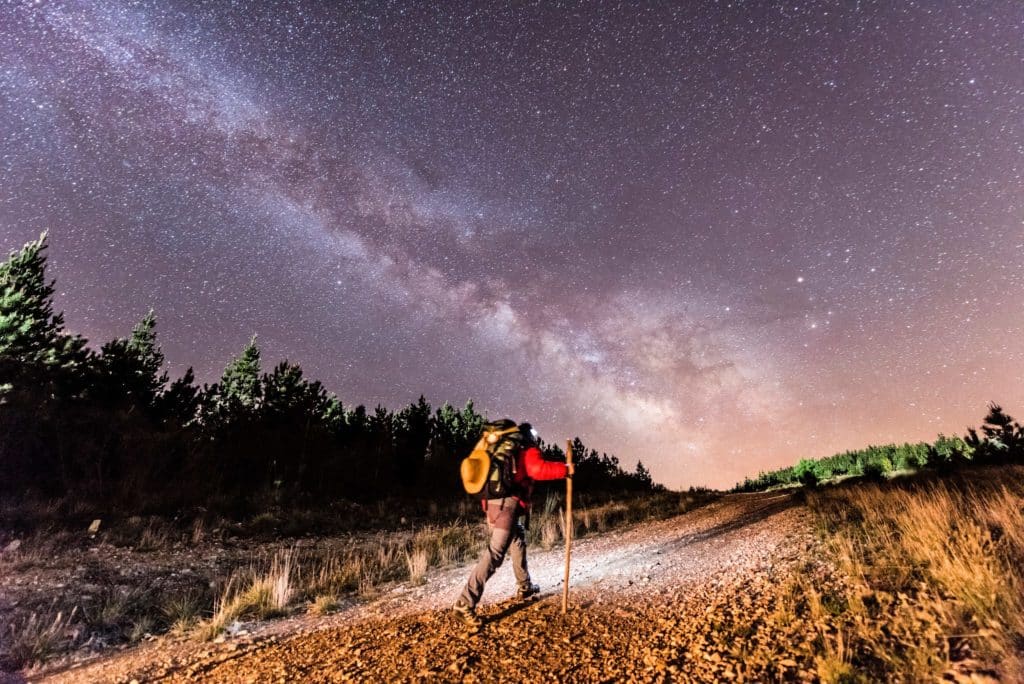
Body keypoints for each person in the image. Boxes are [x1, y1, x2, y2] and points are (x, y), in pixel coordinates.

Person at [452, 420, 573, 627]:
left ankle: (524, 586)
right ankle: (465, 603)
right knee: (495, 554)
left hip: (491, 504)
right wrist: (565, 469)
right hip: (506, 507)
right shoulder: (526, 450)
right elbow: (538, 469)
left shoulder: (504, 453)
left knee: (517, 539)